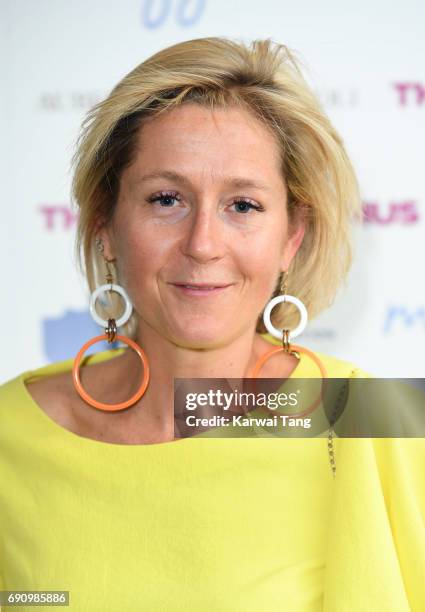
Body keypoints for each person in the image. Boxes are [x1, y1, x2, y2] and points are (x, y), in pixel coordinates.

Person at [0, 36, 423, 611]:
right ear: (105, 224)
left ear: (291, 238)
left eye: (242, 206)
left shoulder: (361, 422)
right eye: (167, 199)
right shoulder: (10, 434)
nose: (202, 244)